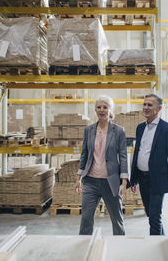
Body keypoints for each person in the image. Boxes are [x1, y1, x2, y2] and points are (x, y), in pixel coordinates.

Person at [75, 95, 128, 235]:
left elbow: (123, 157)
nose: (102, 110)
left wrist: (124, 181)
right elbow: (84, 154)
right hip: (90, 181)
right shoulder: (89, 130)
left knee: (117, 219)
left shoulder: (118, 131)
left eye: (105, 107)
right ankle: (84, 246)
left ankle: (120, 246)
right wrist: (79, 177)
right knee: (86, 218)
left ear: (110, 110)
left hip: (110, 182)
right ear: (95, 110)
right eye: (99, 107)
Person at [130, 94, 168, 235]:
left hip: (157, 180)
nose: (145, 107)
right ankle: (161, 241)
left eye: (149, 105)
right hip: (142, 179)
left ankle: (156, 250)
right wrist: (134, 179)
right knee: (150, 215)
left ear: (158, 109)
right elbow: (138, 153)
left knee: (154, 217)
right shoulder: (140, 128)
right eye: (144, 104)